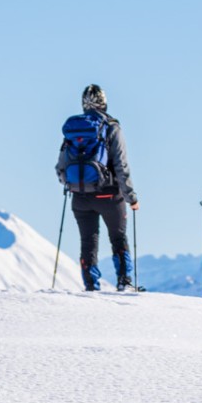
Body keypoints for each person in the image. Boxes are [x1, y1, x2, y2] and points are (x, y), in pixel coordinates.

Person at [55, 84, 138, 291]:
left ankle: (91, 284)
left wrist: (73, 185)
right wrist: (131, 197)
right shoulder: (111, 127)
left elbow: (60, 166)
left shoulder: (74, 130)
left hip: (80, 196)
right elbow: (121, 165)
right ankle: (124, 281)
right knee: (118, 237)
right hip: (109, 194)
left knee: (88, 241)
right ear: (104, 102)